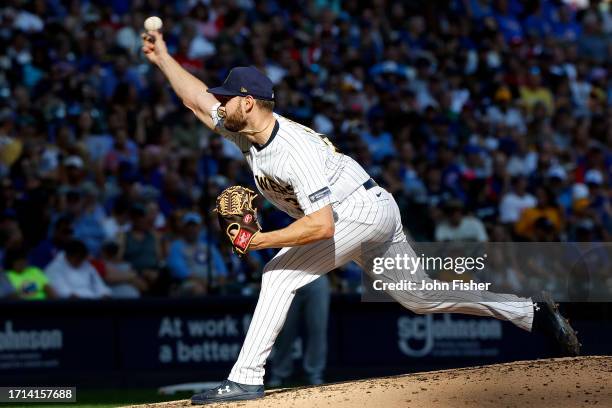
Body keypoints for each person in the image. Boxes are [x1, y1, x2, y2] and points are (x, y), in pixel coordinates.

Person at [141, 30, 580, 404]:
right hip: (371, 208)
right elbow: (197, 100)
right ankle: (532, 312)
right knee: (420, 298)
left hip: (359, 211)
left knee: (278, 275)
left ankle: (245, 379)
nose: (220, 103)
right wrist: (162, 57)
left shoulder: (294, 151)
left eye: (228, 98)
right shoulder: (246, 131)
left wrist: (257, 242)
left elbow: (322, 227)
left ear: (249, 102)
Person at [267, 275, 330, 387]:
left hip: (317, 275)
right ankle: (280, 372)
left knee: (318, 330)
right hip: (288, 277)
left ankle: (315, 373)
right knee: (284, 330)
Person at [166, 212, 227, 296]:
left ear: (199, 228)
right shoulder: (176, 246)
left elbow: (221, 269)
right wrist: (202, 281)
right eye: (189, 226)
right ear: (184, 228)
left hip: (213, 282)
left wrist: (220, 281)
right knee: (198, 289)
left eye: (194, 226)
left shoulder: (208, 246)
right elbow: (178, 270)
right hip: (188, 283)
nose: (192, 229)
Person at [45, 239, 111, 299]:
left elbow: (98, 284)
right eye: (78, 259)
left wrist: (104, 293)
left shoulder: (86, 265)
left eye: (82, 259)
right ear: (68, 255)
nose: (81, 262)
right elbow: (63, 292)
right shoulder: (54, 268)